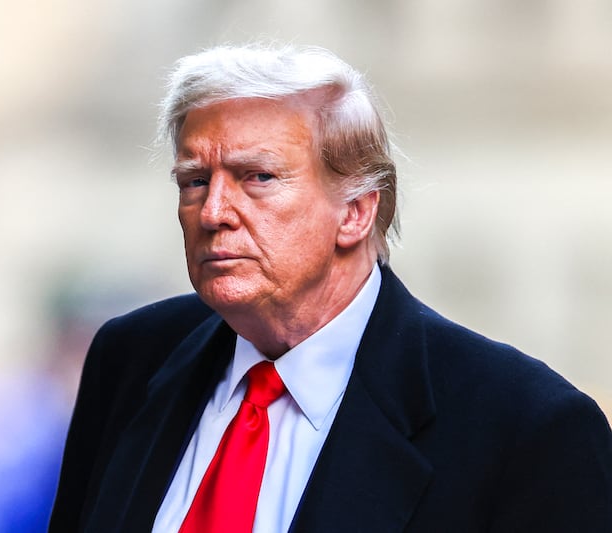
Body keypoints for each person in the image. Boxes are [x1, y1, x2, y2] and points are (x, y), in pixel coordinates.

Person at [49, 44, 612, 532]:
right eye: (195, 181)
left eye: (258, 178)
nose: (214, 211)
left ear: (356, 212)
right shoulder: (130, 357)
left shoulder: (527, 430)